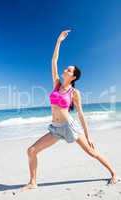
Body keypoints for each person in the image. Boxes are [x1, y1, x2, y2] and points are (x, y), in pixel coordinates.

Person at [23, 30, 118, 190]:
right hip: (55, 128)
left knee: (92, 152)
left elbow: (80, 114)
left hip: (70, 126)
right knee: (31, 151)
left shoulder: (74, 93)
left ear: (73, 77)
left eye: (69, 70)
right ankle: (33, 182)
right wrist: (59, 41)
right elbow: (54, 61)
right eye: (66, 69)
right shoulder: (56, 84)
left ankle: (114, 173)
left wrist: (89, 136)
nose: (65, 70)